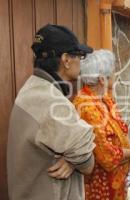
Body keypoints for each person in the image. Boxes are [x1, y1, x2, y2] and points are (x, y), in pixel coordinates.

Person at [7, 24, 96, 200]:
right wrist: (76, 159)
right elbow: (87, 162)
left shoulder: (32, 89)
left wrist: (71, 160)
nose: (81, 61)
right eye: (80, 56)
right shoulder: (51, 101)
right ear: (66, 60)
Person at [73, 49, 130, 200]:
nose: (115, 74)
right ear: (102, 79)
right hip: (101, 185)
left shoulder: (105, 98)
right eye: (113, 71)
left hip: (117, 181)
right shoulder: (86, 107)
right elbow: (107, 156)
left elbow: (122, 131)